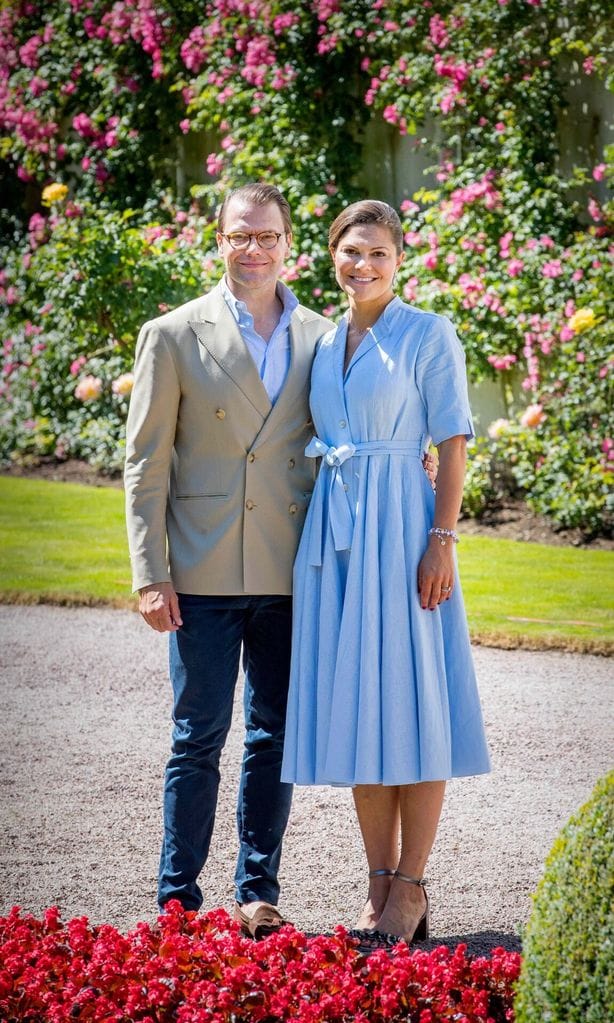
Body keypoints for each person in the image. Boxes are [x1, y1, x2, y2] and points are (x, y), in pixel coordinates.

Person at [281, 199, 491, 951]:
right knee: (363, 706)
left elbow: (453, 443)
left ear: (399, 259)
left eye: (377, 253)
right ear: (331, 256)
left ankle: (412, 886)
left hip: (405, 530)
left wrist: (442, 538)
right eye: (350, 252)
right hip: (337, 539)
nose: (363, 265)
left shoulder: (428, 334)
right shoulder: (322, 339)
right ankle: (376, 880)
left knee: (415, 698)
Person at [124, 183, 333, 937]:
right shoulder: (174, 333)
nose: (254, 248)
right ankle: (177, 899)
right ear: (219, 239)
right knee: (197, 735)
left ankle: (258, 892)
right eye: (241, 234)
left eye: (267, 236)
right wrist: (151, 571)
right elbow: (145, 465)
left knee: (274, 735)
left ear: (288, 243)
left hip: (288, 571)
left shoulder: (322, 336)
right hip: (203, 571)